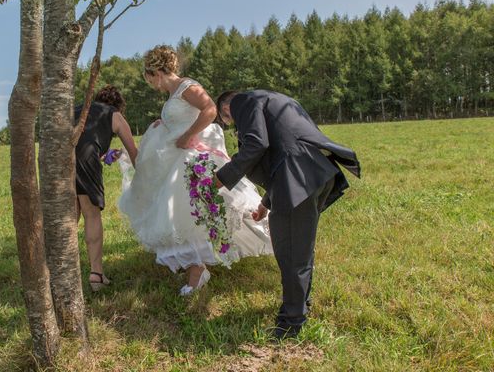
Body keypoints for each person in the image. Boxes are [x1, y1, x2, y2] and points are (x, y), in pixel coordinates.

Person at [118, 45, 273, 296]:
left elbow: (210, 109)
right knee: (182, 213)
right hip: (175, 157)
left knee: (204, 207)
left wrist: (189, 135)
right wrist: (165, 122)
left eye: (148, 77)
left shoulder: (187, 86)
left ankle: (274, 236)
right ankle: (195, 266)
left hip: (190, 155)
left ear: (155, 72)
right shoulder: (172, 94)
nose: (149, 84)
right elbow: (182, 117)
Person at [214, 89, 361, 338]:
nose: (230, 125)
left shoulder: (243, 101)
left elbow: (257, 144)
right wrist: (265, 203)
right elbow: (283, 148)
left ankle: (291, 323)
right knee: (300, 249)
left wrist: (221, 178)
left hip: (298, 176)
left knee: (291, 252)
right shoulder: (275, 99)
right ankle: (301, 305)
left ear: (225, 109)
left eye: (226, 120)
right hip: (316, 173)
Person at [75, 85, 138, 291]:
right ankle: (96, 274)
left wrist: (105, 155)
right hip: (86, 161)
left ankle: (59, 271)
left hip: (60, 161)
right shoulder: (115, 115)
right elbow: (134, 152)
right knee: (91, 214)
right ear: (117, 105)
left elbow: (83, 139)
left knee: (68, 217)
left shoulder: (78, 109)